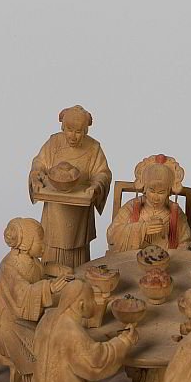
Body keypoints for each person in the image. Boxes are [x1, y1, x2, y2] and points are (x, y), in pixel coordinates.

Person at [0, 218, 72, 379]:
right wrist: (50, 287)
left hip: (25, 319)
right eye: (40, 242)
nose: (44, 246)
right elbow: (24, 294)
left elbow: (40, 271)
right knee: (45, 350)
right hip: (10, 325)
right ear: (27, 244)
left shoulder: (30, 260)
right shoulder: (8, 268)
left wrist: (57, 269)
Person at [28, 105, 112, 271]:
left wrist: (96, 186)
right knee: (52, 243)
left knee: (78, 252)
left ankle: (79, 279)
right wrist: (36, 176)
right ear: (63, 127)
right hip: (55, 208)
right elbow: (39, 163)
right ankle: (49, 276)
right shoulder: (53, 143)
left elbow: (103, 173)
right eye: (69, 130)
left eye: (78, 131)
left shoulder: (93, 148)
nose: (73, 136)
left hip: (80, 209)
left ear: (85, 131)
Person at [106, 154, 191, 252]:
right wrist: (142, 229)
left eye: (161, 192)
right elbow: (112, 235)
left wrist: (173, 255)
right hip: (133, 258)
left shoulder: (176, 212)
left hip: (167, 259)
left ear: (169, 192)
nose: (155, 197)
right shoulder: (130, 207)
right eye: (152, 190)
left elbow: (186, 241)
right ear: (145, 188)